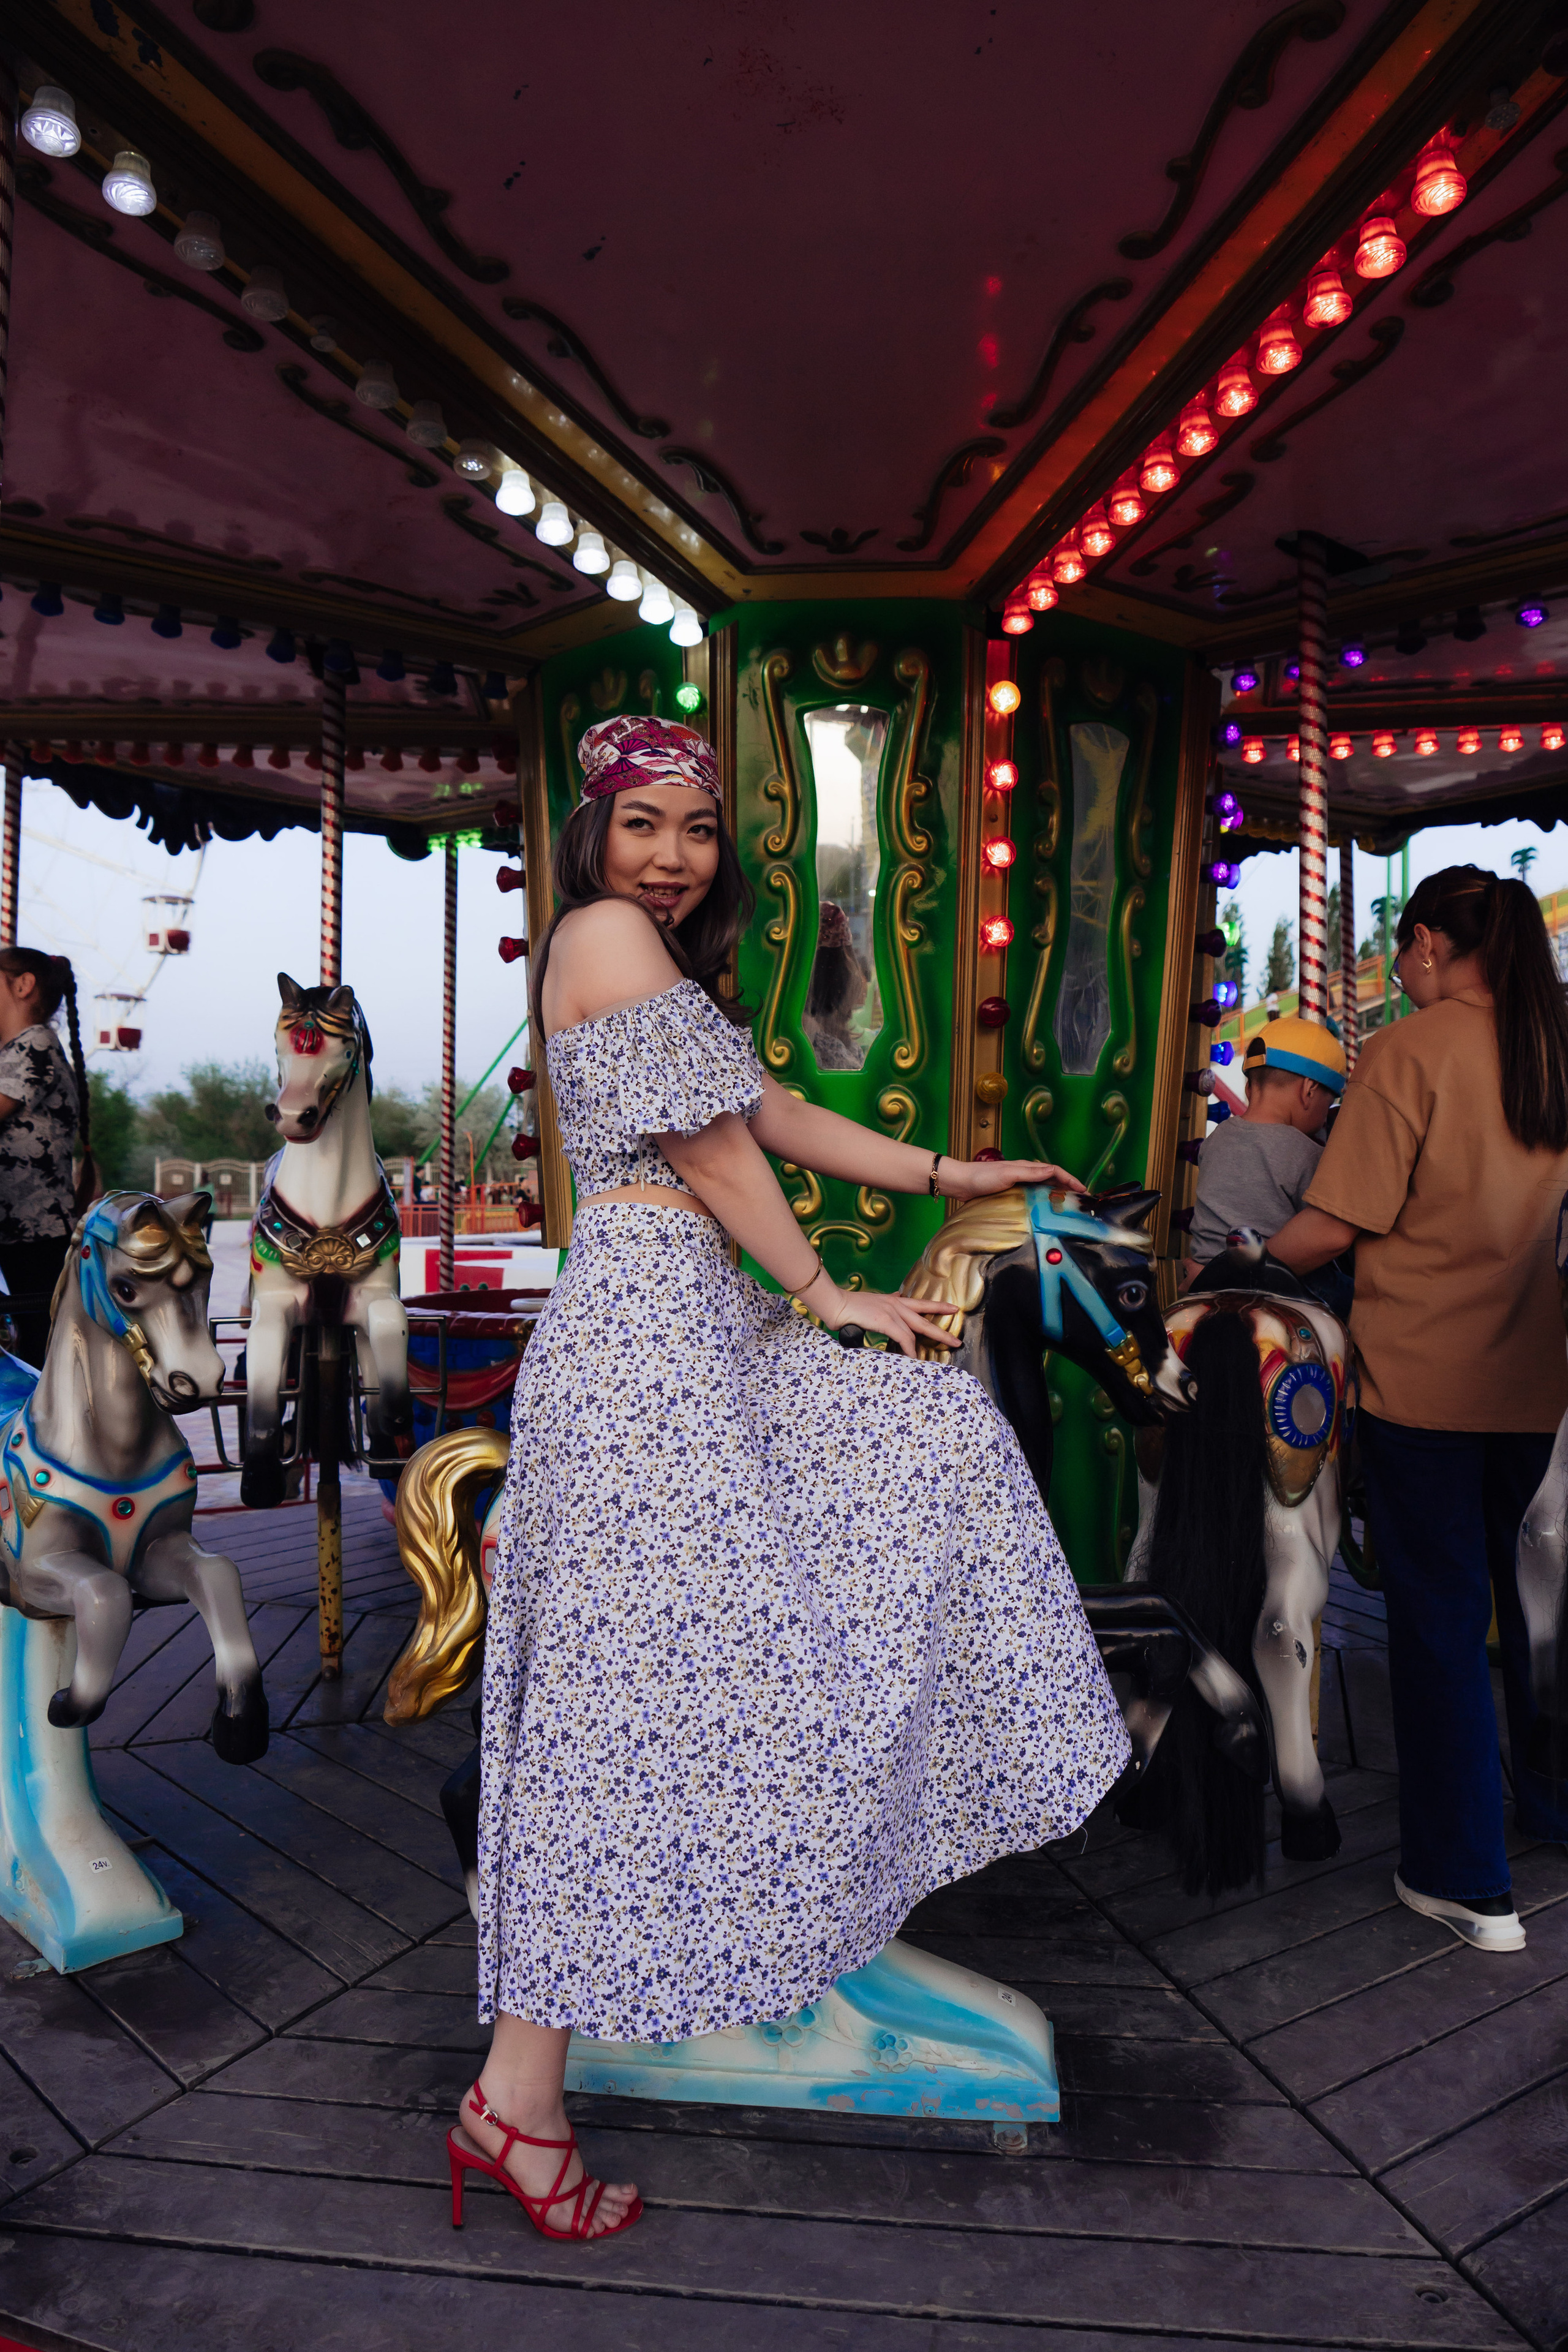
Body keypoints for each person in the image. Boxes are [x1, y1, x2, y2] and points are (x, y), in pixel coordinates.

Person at [450, 714, 1129, 2243]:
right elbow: (707, 1147)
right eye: (642, 822)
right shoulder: (602, 932)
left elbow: (769, 1112)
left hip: (691, 1325)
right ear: (592, 834)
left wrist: (957, 1173)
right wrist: (823, 1290)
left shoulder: (661, 965)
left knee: (646, 1692)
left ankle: (524, 2087)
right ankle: (523, 2095)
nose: (670, 855)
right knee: (907, 1455)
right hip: (645, 1339)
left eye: (695, 828)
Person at [1268, 866, 1568, 1954]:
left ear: (1434, 945)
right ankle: (1548, 1803)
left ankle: (1464, 1879)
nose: (1400, 969)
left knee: (1439, 1621)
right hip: (1533, 1381)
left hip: (1426, 1385)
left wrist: (1245, 1254)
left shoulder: (1410, 1051)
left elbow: (1333, 1227)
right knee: (1531, 1605)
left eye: (1404, 949)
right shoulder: (1550, 1051)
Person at [1188, 1016, 1351, 1317]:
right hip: (1271, 1287)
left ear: (1249, 1089)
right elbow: (1324, 1224)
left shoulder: (1217, 1139)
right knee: (1359, 1298)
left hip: (1204, 1276)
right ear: (1309, 1091)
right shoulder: (1304, 1152)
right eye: (1327, 1103)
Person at [0, 948, 96, 1367]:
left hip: (33, 1231)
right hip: (17, 1229)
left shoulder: (35, 1043)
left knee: (43, 1358)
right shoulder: (15, 1050)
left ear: (23, 985)